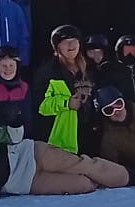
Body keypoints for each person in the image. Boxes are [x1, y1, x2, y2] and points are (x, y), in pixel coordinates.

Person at [0, 107, 127, 199]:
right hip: (25, 182)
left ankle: (128, 176)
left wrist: (15, 122)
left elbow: (14, 137)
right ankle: (103, 179)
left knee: (82, 165)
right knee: (83, 184)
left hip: (31, 153)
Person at [32, 25, 99, 155]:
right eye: (65, 42)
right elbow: (40, 106)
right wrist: (66, 103)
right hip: (62, 141)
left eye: (74, 40)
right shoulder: (47, 72)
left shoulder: (90, 68)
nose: (71, 45)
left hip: (90, 136)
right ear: (57, 47)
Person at [0, 47, 35, 141]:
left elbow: (28, 118)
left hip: (20, 138)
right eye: (3, 65)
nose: (8, 69)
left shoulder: (24, 88)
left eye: (11, 65)